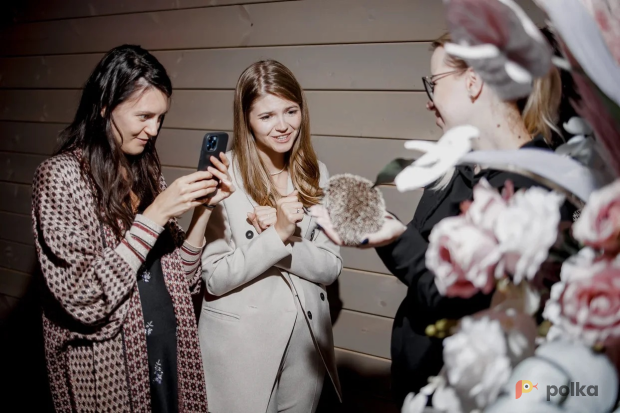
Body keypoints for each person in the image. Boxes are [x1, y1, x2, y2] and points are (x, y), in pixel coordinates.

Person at [31, 44, 234, 412]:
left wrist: (204, 212)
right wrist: (154, 215)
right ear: (106, 105)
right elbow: (83, 297)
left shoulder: (145, 173)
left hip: (169, 354)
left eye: (160, 118)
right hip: (111, 371)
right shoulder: (60, 177)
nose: (152, 130)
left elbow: (182, 281)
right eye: (143, 116)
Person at [199, 60, 342, 413]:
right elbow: (215, 278)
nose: (283, 126)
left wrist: (282, 238)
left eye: (290, 111)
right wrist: (276, 235)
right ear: (246, 119)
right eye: (266, 117)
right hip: (241, 347)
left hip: (305, 344)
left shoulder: (316, 173)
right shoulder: (223, 174)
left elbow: (329, 266)